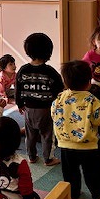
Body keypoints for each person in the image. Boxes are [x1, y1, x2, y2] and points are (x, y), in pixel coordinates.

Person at [52, 60, 100, 199]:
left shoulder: (60, 97)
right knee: (93, 173)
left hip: (65, 144)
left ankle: (73, 192)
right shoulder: (91, 100)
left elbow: (53, 113)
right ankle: (96, 193)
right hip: (88, 145)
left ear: (65, 82)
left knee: (70, 173)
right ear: (89, 82)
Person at [15, 33, 64, 166]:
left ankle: (31, 156)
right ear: (49, 52)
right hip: (46, 109)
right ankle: (48, 158)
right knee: (47, 135)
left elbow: (18, 89)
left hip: (28, 109)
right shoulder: (50, 72)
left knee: (30, 134)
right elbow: (59, 89)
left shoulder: (23, 70)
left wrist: (19, 104)